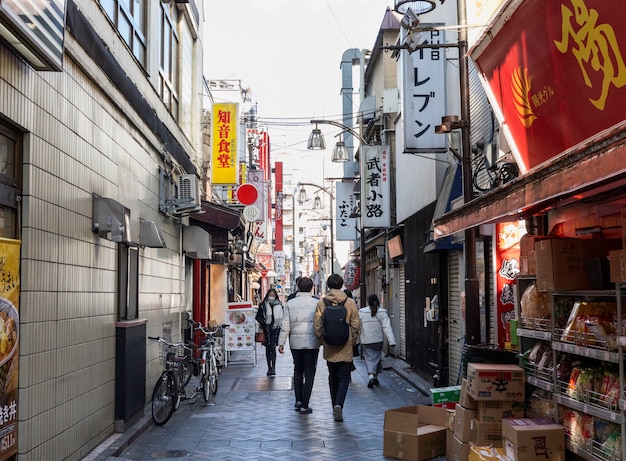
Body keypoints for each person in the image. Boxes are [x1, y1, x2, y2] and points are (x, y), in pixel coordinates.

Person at [314, 274, 360, 422]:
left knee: (332, 376)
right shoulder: (350, 302)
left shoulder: (322, 303)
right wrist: (352, 340)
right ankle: (339, 404)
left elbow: (318, 325)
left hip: (329, 345)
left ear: (328, 285)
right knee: (344, 377)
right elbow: (356, 324)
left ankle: (334, 403)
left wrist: (322, 339)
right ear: (341, 285)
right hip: (345, 345)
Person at [278, 277, 320, 414]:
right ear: (311, 287)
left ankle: (298, 400)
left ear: (298, 287)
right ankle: (305, 404)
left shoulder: (291, 303)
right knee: (309, 372)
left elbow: (285, 325)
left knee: (297, 370)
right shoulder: (317, 303)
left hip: (295, 343)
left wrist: (281, 342)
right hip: (312, 343)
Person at [358, 293, 396, 388]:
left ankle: (371, 376)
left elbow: (357, 327)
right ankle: (374, 377)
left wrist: (357, 339)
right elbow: (387, 327)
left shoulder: (361, 312)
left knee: (370, 358)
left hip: (365, 340)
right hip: (378, 340)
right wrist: (392, 341)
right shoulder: (382, 313)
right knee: (376, 358)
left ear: (368, 302)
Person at [255, 288, 283, 376]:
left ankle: (273, 367)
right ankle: (269, 367)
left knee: (273, 348)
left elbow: (282, 317)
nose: (271, 297)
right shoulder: (263, 305)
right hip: (266, 330)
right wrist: (263, 322)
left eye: (273, 295)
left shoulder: (279, 305)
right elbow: (258, 317)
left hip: (275, 329)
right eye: (270, 295)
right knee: (268, 349)